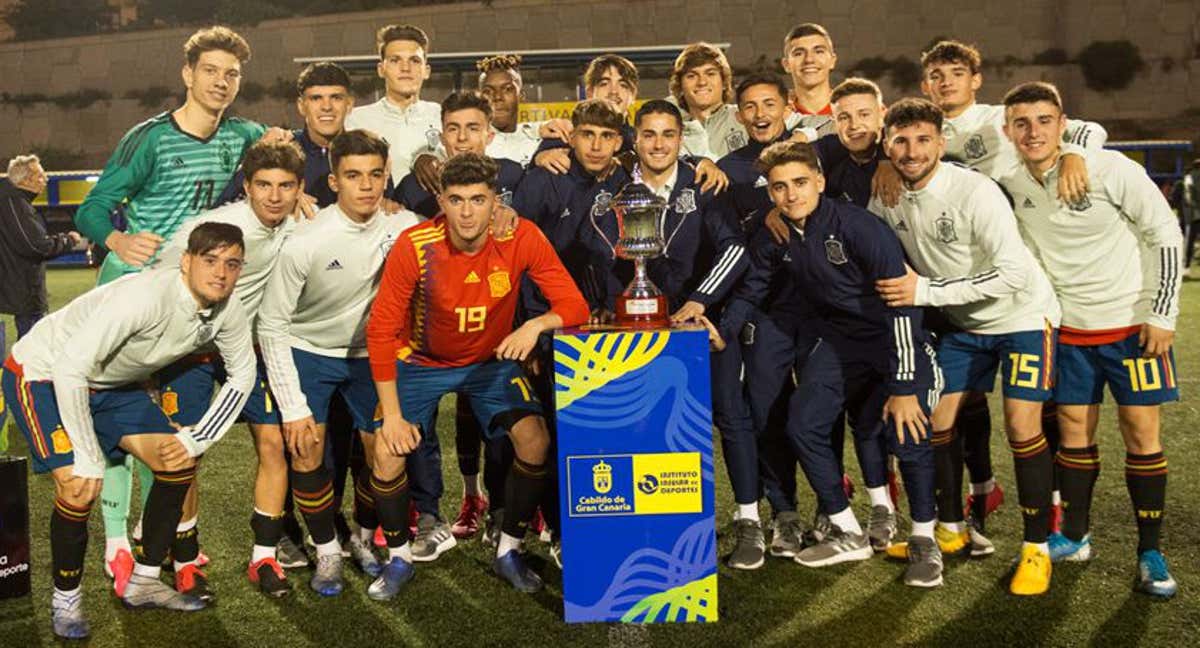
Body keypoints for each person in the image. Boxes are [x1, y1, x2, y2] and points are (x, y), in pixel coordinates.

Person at [71, 25, 279, 595]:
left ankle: (149, 529)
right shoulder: (149, 139)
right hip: (137, 290)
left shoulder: (243, 135)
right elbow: (94, 207)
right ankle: (117, 540)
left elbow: (285, 156)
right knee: (118, 415)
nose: (221, 81)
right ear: (188, 75)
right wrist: (114, 241)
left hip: (196, 298)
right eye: (210, 70)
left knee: (161, 427)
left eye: (231, 74)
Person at [1, 221, 255, 639]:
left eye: (232, 264)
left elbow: (242, 375)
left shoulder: (230, 309)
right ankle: (65, 600)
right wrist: (86, 455)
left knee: (178, 462)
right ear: (187, 262)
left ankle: (144, 581)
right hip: (44, 374)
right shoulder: (145, 297)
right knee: (79, 487)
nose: (221, 273)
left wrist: (197, 437)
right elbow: (71, 369)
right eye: (209, 261)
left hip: (114, 386)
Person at [365, 152, 590, 597]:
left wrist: (534, 324)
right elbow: (380, 331)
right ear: (441, 202)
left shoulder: (521, 235)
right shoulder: (414, 245)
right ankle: (398, 558)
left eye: (478, 200)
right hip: (421, 361)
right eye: (456, 200)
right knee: (387, 452)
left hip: (489, 361)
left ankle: (508, 550)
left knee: (535, 440)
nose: (467, 212)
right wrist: (391, 415)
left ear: (495, 203)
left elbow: (575, 304)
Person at [720, 140, 943, 588]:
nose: (791, 195)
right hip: (841, 342)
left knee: (907, 430)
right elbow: (752, 289)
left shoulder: (861, 228)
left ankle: (924, 538)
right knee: (803, 424)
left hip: (897, 338)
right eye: (779, 187)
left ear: (820, 182)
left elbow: (903, 306)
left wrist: (903, 386)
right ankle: (846, 528)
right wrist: (716, 330)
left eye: (800, 183)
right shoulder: (777, 233)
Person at [870, 98, 1061, 596]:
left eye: (923, 140)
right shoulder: (885, 194)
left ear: (941, 143)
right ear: (887, 144)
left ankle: (1036, 548)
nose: (911, 151)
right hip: (962, 326)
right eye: (901, 141)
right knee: (936, 423)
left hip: (1021, 315)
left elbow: (1015, 273)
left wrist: (926, 292)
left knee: (1023, 427)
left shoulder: (974, 191)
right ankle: (951, 529)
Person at [1000, 81, 1184, 599]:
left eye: (1043, 121)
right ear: (1007, 130)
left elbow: (1164, 233)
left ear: (1063, 124)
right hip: (1070, 331)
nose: (1033, 132)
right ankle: (1076, 535)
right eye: (1021, 123)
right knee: (1075, 433)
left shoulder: (1111, 169)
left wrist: (1162, 311)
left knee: (1141, 434)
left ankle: (1151, 552)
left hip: (1131, 327)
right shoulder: (1013, 183)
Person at [256, 130, 422, 597]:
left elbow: (457, 227)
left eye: (375, 175)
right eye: (353, 176)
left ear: (387, 175)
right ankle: (327, 550)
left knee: (384, 453)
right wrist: (292, 405)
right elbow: (271, 325)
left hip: (374, 356)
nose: (366, 186)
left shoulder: (405, 225)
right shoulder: (305, 240)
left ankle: (368, 539)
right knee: (306, 447)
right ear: (333, 181)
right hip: (309, 350)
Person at [593, 100, 755, 567]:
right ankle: (650, 523)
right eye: (649, 134)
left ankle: (749, 520)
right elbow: (599, 252)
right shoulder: (615, 188)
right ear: (635, 139)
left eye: (668, 134)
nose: (658, 143)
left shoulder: (702, 186)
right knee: (646, 422)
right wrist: (607, 304)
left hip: (702, 325)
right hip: (637, 328)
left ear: (681, 139)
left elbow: (735, 249)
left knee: (730, 414)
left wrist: (701, 300)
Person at [154, 140, 305, 598]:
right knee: (185, 453)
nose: (274, 196)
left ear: (300, 189)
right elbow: (165, 274)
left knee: (274, 444)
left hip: (246, 349)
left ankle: (264, 558)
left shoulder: (296, 224)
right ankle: (185, 558)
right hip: (191, 352)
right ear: (247, 187)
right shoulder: (215, 227)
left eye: (285, 186)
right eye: (264, 185)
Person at [345, 24, 441, 183]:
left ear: (427, 71)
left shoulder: (444, 116)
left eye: (415, 60)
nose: (405, 68)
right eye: (395, 60)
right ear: (381, 69)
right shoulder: (355, 121)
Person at [0, 155, 80, 338]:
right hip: (20, 289)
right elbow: (35, 246)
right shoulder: (14, 203)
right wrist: (68, 240)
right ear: (26, 180)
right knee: (33, 347)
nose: (46, 179)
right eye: (41, 175)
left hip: (14, 288)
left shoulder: (12, 201)